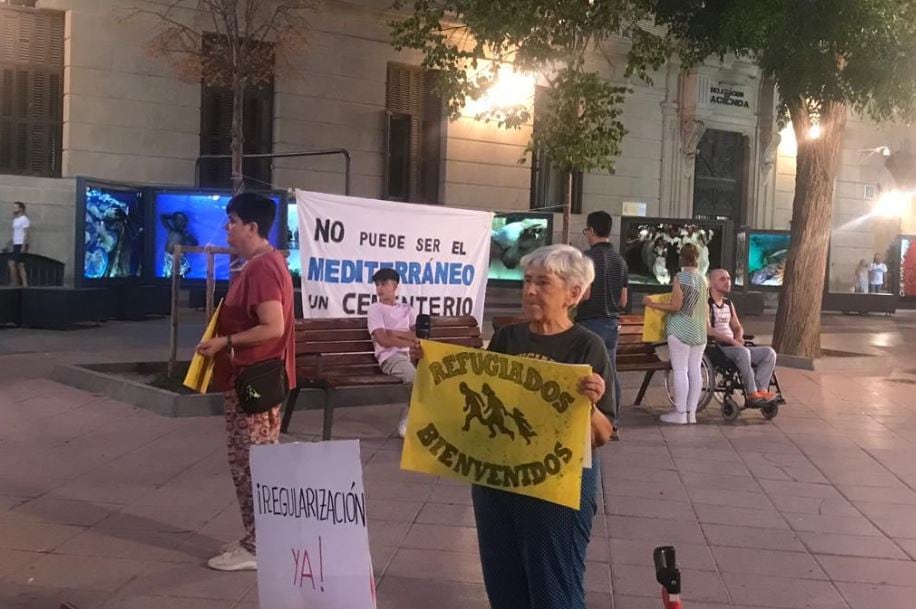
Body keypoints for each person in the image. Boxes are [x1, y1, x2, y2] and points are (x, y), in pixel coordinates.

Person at [468, 244, 614, 609]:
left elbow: (603, 433)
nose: (530, 290)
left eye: (543, 283)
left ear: (574, 294)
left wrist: (591, 406)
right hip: (498, 484)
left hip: (556, 492)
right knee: (503, 588)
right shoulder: (507, 339)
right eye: (527, 281)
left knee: (554, 592)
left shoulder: (587, 346)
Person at [196, 193, 294, 572]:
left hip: (252, 381)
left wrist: (226, 341)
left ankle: (258, 546)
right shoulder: (267, 262)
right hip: (256, 380)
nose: (227, 228)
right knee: (258, 460)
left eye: (233, 221)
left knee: (249, 463)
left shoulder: (261, 269)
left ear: (252, 227)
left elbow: (273, 326)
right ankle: (260, 536)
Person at [575, 210, 627, 440]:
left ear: (592, 230)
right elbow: (624, 300)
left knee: (587, 372)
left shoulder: (587, 259)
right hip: (612, 323)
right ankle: (612, 421)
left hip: (590, 322)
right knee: (610, 370)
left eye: (587, 231)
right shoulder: (620, 261)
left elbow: (584, 294)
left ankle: (587, 417)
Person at [643, 243, 708, 425]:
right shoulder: (703, 279)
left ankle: (680, 413)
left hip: (680, 329)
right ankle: (691, 413)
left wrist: (651, 304)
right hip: (699, 331)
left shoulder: (681, 278)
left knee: (680, 371)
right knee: (695, 371)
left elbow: (675, 306)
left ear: (681, 258)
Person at [706, 269, 778, 404]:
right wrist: (731, 340)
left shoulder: (728, 304)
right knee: (743, 352)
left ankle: (761, 390)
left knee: (769, 353)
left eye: (728, 279)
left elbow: (737, 326)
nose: (727, 282)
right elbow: (708, 330)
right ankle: (751, 393)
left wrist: (739, 336)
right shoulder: (707, 303)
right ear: (712, 282)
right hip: (718, 348)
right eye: (722, 279)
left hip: (735, 346)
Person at [367, 267, 419, 438]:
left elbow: (416, 336)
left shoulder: (407, 309)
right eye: (377, 285)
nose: (379, 288)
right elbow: (383, 340)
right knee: (415, 378)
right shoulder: (375, 309)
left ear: (395, 286)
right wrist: (406, 338)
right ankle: (409, 418)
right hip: (389, 357)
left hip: (408, 357)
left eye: (384, 284)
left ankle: (419, 416)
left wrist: (394, 332)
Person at [7, 202, 30, 287]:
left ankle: (14, 282)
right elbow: (16, 232)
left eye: (15, 207)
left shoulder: (24, 219)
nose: (14, 209)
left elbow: (26, 233)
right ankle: (25, 284)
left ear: (21, 209)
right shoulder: (15, 219)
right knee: (21, 265)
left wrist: (23, 246)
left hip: (21, 244)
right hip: (16, 243)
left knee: (11, 263)